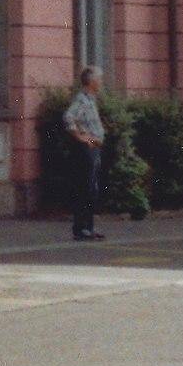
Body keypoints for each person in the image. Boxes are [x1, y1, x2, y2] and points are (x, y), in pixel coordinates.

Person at [63, 65, 107, 243]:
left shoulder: (90, 100)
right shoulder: (82, 99)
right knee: (86, 188)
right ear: (92, 82)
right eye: (100, 79)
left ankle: (88, 227)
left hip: (94, 148)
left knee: (92, 189)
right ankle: (81, 229)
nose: (101, 83)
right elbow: (68, 117)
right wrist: (82, 138)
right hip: (86, 151)